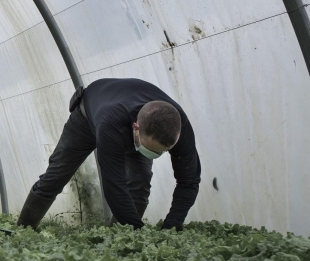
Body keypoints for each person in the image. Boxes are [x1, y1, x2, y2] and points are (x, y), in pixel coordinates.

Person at [17, 78, 200, 231]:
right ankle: (24, 230)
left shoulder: (179, 129)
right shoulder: (111, 122)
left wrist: (172, 226)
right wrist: (139, 231)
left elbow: (189, 181)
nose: (154, 155)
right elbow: (114, 186)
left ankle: (118, 240)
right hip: (88, 116)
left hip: (131, 119)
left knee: (139, 183)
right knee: (57, 174)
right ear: (136, 128)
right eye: (150, 149)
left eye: (160, 152)